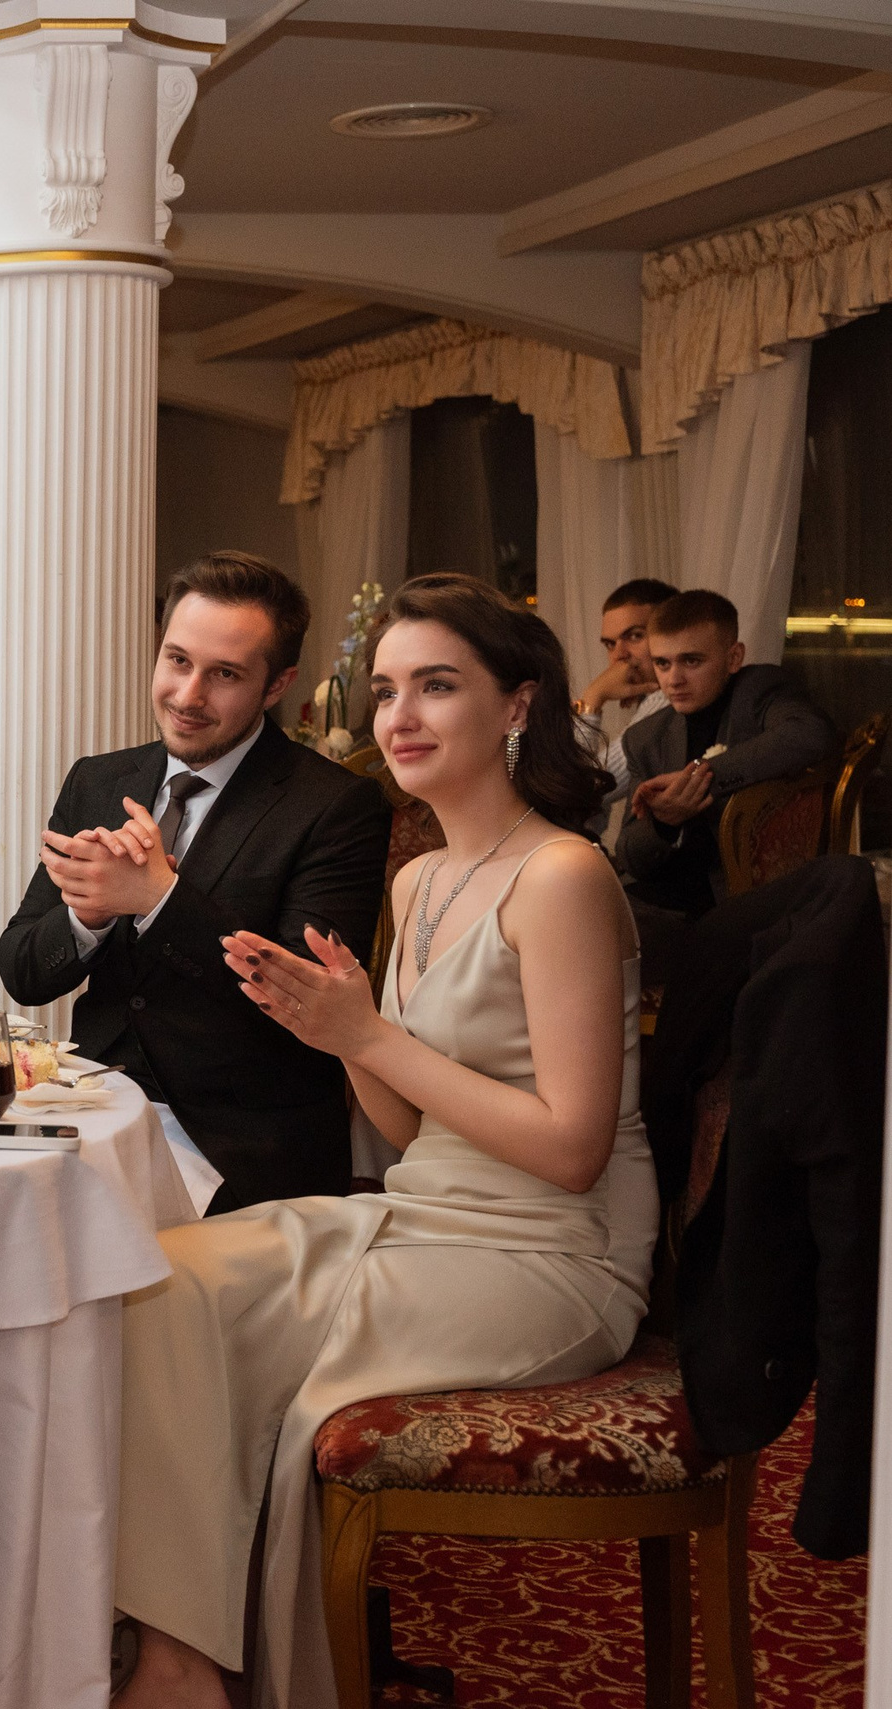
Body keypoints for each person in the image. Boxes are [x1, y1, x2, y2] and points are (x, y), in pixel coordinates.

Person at [113, 573, 656, 1709]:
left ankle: (224, 1676)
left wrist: (368, 1032)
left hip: (550, 1249)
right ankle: (182, 1651)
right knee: (155, 1284)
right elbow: (406, 1126)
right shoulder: (417, 880)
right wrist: (343, 1030)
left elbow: (570, 1150)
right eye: (385, 690)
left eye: (436, 686)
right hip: (423, 1208)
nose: (398, 715)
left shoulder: (561, 872)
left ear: (516, 705)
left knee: (306, 1388)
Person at [0, 551, 391, 1211]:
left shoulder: (335, 805)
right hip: (90, 1111)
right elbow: (22, 970)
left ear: (277, 684)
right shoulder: (101, 779)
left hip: (240, 1143)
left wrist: (159, 899)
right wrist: (87, 918)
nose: (188, 696)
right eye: (177, 661)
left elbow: (306, 1003)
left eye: (225, 674)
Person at [617, 588, 835, 955]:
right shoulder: (645, 738)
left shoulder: (758, 690)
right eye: (663, 663)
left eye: (692, 661)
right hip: (664, 907)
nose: (674, 680)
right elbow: (630, 856)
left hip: (746, 907)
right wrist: (664, 824)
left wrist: (703, 777)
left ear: (733, 657)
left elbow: (810, 735)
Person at [571, 577, 678, 793]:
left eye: (635, 636)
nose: (619, 655)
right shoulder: (655, 700)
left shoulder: (669, 701)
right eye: (610, 644)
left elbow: (582, 790)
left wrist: (593, 697)